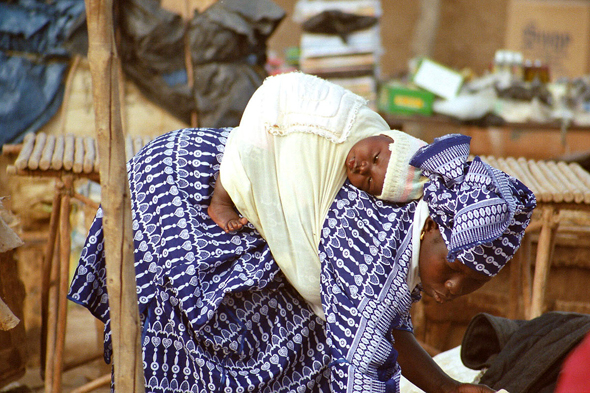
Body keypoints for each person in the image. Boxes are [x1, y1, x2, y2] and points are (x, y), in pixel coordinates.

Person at [68, 127, 535, 393]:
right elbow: (358, 362)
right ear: (432, 227)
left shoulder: (415, 220)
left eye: (470, 282)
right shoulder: (381, 244)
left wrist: (450, 390)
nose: (452, 288)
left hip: (232, 182)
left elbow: (382, 323)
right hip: (187, 188)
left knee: (309, 324)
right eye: (452, 269)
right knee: (241, 332)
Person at [208, 72, 427, 317]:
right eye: (375, 157)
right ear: (388, 136)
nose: (362, 168)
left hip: (282, 121)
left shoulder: (345, 180)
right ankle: (220, 201)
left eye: (368, 182)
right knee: (247, 159)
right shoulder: (363, 124)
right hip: (275, 105)